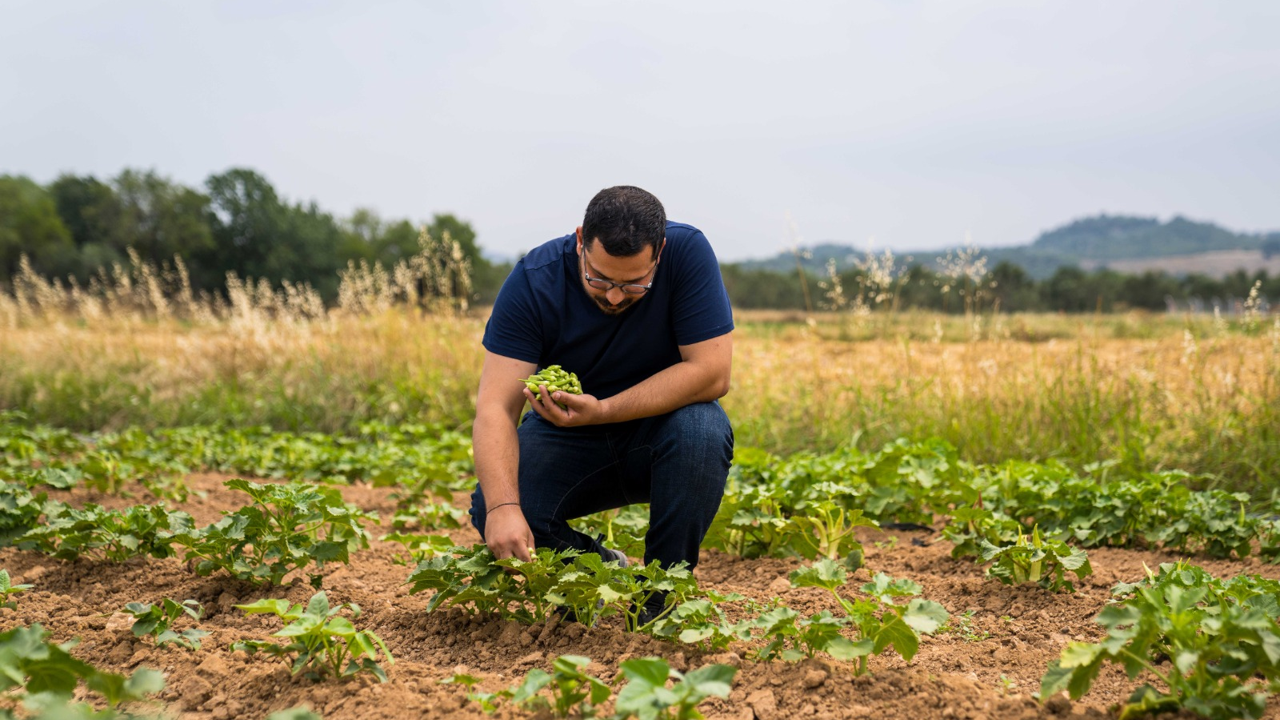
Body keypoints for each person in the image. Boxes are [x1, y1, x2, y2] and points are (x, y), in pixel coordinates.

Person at [468, 185, 735, 621]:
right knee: (496, 505)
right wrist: (502, 509)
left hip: (663, 431)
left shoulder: (688, 253)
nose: (614, 296)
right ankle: (601, 570)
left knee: (703, 429)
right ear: (579, 241)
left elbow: (712, 372)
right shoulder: (534, 280)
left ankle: (661, 596)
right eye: (600, 279)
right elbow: (495, 408)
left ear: (660, 252)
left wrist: (606, 409)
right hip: (568, 435)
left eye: (634, 284)